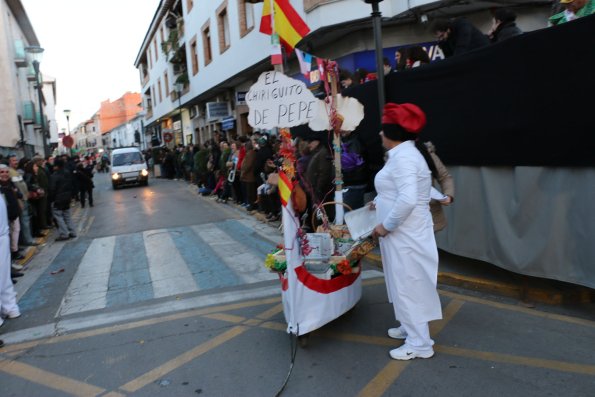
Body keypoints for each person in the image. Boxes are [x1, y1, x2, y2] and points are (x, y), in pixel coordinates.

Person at [371, 102, 442, 360]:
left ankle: (420, 344)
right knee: (403, 281)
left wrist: (385, 225)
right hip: (404, 234)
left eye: (383, 130)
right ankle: (409, 326)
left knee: (409, 283)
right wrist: (378, 203)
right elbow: (397, 192)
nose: (380, 134)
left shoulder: (405, 158)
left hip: (405, 234)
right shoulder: (404, 156)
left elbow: (408, 199)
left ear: (393, 133)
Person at [0, 164, 22, 323]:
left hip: (3, 235)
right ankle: (10, 308)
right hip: (3, 236)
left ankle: (8, 309)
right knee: (4, 277)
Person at [424, 142, 455, 232]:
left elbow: (444, 177)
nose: (381, 134)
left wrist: (448, 195)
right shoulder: (391, 155)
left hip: (428, 216)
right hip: (397, 219)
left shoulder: (425, 153)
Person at [48, 158, 77, 241]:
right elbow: (72, 184)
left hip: (58, 199)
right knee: (67, 215)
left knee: (58, 216)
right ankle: (72, 231)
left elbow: (52, 189)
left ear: (56, 166)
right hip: (67, 197)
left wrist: (51, 199)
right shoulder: (67, 173)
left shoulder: (54, 176)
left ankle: (64, 234)